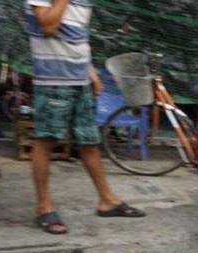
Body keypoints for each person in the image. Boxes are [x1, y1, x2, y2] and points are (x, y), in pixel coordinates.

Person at [26, 0, 145, 235]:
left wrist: (90, 71)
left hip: (80, 79)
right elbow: (47, 26)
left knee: (89, 141)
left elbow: (77, 36)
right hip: (53, 80)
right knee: (46, 140)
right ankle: (43, 208)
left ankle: (107, 200)